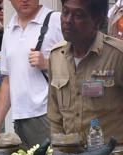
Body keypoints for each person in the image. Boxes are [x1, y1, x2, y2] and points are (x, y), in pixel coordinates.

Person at [48, 0, 123, 144]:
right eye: (65, 12)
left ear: (98, 20)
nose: (68, 21)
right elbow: (55, 117)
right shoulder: (56, 56)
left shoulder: (117, 56)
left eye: (79, 15)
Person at [0, 0, 62, 149]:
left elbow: (77, 66)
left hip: (46, 114)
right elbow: (7, 80)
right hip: (19, 117)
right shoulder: (10, 28)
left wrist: (47, 64)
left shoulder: (56, 20)